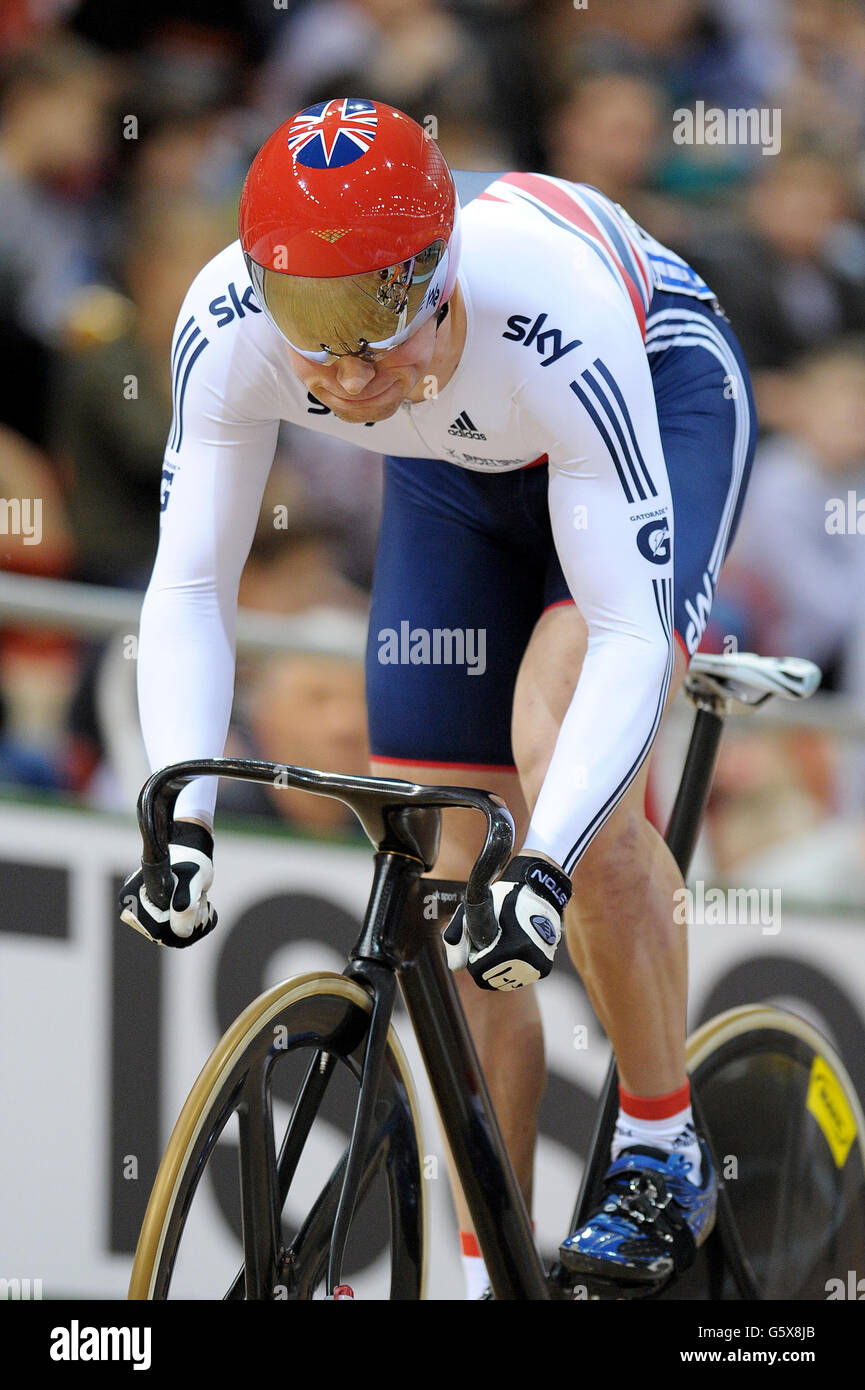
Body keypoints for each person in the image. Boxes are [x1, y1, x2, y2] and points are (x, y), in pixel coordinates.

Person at [119, 99, 757, 1295]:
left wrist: (554, 863)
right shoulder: (226, 322)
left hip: (646, 394)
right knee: (453, 861)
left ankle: (662, 1139)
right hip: (453, 466)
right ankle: (484, 1272)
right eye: (310, 330)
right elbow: (191, 584)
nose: (347, 372)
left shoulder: (547, 304)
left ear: (444, 271)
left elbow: (624, 632)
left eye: (373, 324)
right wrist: (180, 818)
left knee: (558, 751)